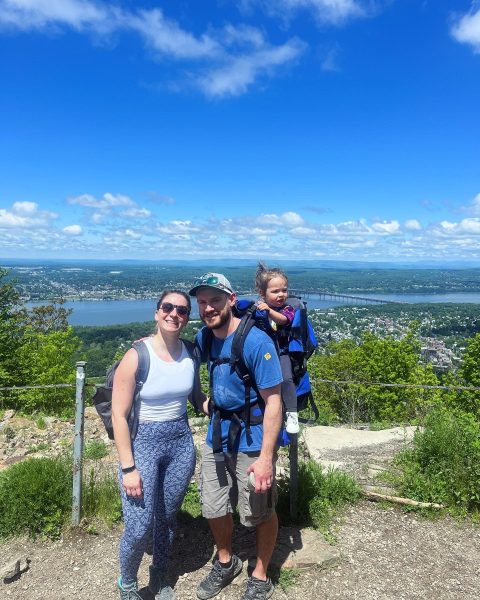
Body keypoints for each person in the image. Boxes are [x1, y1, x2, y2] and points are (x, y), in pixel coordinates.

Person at [189, 272, 283, 600]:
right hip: (218, 434)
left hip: (253, 439)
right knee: (213, 505)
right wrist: (200, 400)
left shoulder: (256, 341)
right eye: (202, 302)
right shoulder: (204, 338)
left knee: (259, 511)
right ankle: (226, 562)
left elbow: (274, 402)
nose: (208, 307)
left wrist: (267, 458)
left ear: (231, 300)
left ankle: (261, 574)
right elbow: (180, 361)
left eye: (215, 300)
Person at [112, 290, 202, 600]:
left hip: (180, 441)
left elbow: (196, 398)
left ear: (187, 318)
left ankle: (160, 574)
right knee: (138, 526)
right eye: (168, 307)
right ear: (156, 312)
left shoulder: (191, 353)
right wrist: (129, 468)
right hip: (143, 444)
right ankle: (127, 584)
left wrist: (219, 406)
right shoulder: (137, 356)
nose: (174, 313)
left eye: (182, 310)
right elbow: (119, 416)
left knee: (166, 518)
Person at [255, 262, 300, 434]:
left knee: (286, 379)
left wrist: (267, 311)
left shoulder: (288, 308)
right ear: (262, 293)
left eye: (284, 290)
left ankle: (291, 413)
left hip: (281, 351)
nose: (281, 295)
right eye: (275, 291)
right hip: (263, 354)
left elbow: (284, 320)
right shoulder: (258, 307)